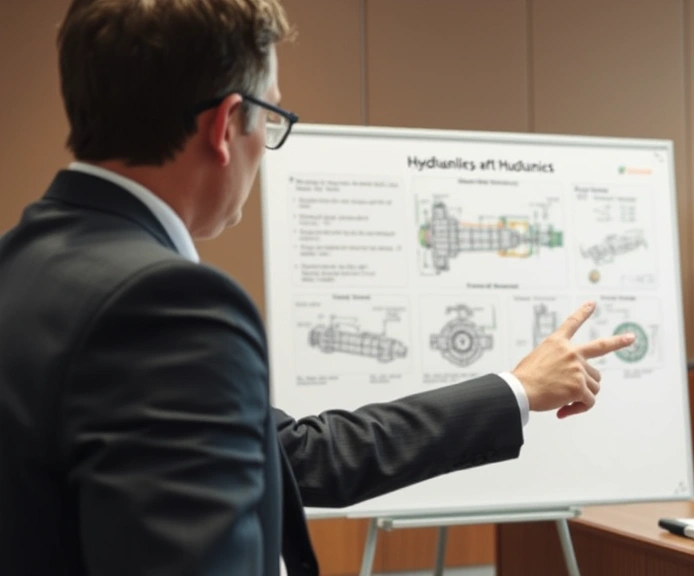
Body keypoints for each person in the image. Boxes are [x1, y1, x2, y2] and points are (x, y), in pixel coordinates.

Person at [0, 2, 635, 575]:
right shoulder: (165, 304)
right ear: (225, 126)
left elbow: (288, 457)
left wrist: (516, 390)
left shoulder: (21, 265)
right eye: (270, 116)